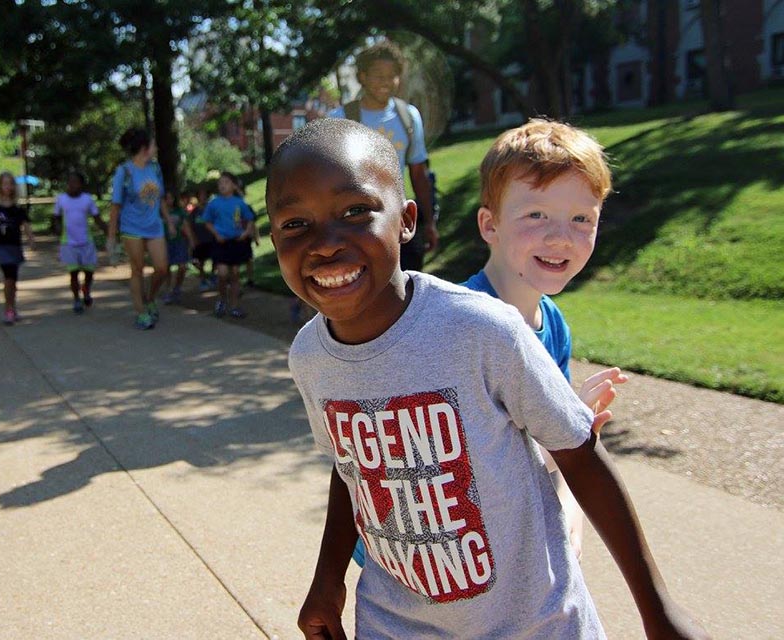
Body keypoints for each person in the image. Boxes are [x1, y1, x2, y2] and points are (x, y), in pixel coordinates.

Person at [267, 119, 708, 640]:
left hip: (533, 623)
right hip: (397, 622)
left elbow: (580, 452)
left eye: (356, 212)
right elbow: (351, 470)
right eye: (296, 224)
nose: (325, 244)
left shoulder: (480, 330)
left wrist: (657, 610)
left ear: (407, 220)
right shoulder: (310, 356)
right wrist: (327, 581)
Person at [460, 118, 630, 559]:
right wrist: (570, 434)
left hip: (507, 545)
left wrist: (570, 510)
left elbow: (556, 461)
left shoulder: (552, 324)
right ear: (489, 225)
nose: (560, 237)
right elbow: (472, 471)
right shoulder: (463, 326)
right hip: (439, 555)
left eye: (581, 218)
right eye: (536, 215)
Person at [328, 39, 438, 271]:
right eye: (378, 74)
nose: (385, 82)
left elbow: (419, 173)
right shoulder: (339, 119)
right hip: (357, 224)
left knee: (408, 287)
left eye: (392, 75)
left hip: (398, 217)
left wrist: (429, 222)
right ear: (362, 76)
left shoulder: (408, 117)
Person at [107, 127, 176, 330]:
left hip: (154, 226)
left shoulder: (155, 169)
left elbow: (161, 198)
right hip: (132, 227)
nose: (156, 148)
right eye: (153, 144)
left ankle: (150, 297)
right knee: (137, 269)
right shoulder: (124, 171)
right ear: (144, 148)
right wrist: (112, 237)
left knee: (162, 268)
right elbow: (115, 206)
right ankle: (140, 312)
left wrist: (169, 222)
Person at [51, 170, 108, 314]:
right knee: (73, 273)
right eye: (70, 182)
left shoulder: (87, 199)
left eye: (76, 182)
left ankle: (86, 290)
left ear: (81, 185)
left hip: (86, 241)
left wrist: (108, 231)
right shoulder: (61, 199)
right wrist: (57, 228)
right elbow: (56, 217)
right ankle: (77, 299)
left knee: (89, 272)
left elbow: (97, 217)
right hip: (68, 242)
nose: (72, 185)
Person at [0, 171, 35, 326]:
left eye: (10, 184)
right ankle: (8, 309)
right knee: (8, 277)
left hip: (15, 247)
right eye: (5, 184)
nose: (8, 187)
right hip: (0, 247)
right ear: (0, 186)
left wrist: (31, 239)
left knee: (13, 280)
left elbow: (26, 225)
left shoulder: (18, 209)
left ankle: (13, 307)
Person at [202, 171, 254, 319]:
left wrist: (246, 233)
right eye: (220, 183)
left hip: (235, 242)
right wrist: (216, 234)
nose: (222, 185)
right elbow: (207, 221)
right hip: (220, 242)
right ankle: (222, 299)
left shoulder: (239, 203)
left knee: (236, 274)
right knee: (223, 274)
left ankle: (235, 305)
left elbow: (250, 218)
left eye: (225, 182)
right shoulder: (214, 203)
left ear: (233, 185)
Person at [161, 190, 195, 305]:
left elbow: (186, 226)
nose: (169, 201)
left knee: (182, 266)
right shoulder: (159, 213)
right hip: (165, 242)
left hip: (179, 241)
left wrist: (191, 241)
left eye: (171, 198)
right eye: (167, 198)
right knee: (166, 268)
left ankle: (177, 287)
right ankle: (168, 290)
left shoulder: (179, 211)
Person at [188, 186, 216, 292]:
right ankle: (203, 279)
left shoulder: (211, 210)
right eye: (200, 195)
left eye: (204, 195)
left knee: (216, 258)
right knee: (198, 261)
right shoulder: (195, 212)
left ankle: (213, 275)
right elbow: (190, 225)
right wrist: (193, 239)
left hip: (211, 238)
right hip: (199, 239)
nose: (203, 198)